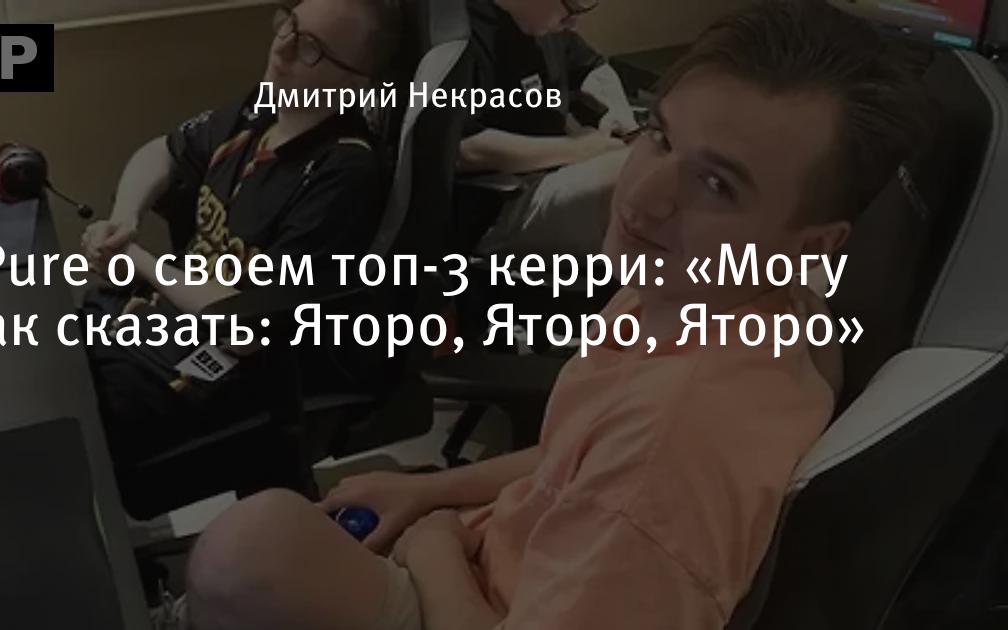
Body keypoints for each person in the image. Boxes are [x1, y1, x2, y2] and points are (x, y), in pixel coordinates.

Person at [180, 1, 931, 629]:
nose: (642, 198)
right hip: (509, 554)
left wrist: (435, 547)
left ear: (815, 243)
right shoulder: (709, 291)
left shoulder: (676, 449)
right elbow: (578, 455)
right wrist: (429, 492)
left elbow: (632, 479)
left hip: (490, 600)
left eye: (717, 185)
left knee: (246, 554)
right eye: (661, 137)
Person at [79, 0, 399, 469]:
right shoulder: (262, 108)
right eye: (289, 26)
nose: (281, 47)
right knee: (39, 366)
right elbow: (162, 150)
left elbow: (246, 324)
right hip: (159, 319)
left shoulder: (344, 174)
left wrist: (137, 258)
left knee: (69, 423)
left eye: (310, 48)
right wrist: (125, 217)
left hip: (234, 365)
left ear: (354, 85)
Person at [459, 0, 638, 258]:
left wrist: (624, 120)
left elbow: (593, 68)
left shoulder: (541, 25)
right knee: (634, 180)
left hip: (554, 170)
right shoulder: (458, 30)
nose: (572, 22)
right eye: (571, 9)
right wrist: (579, 149)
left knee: (653, 165)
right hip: (495, 206)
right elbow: (465, 149)